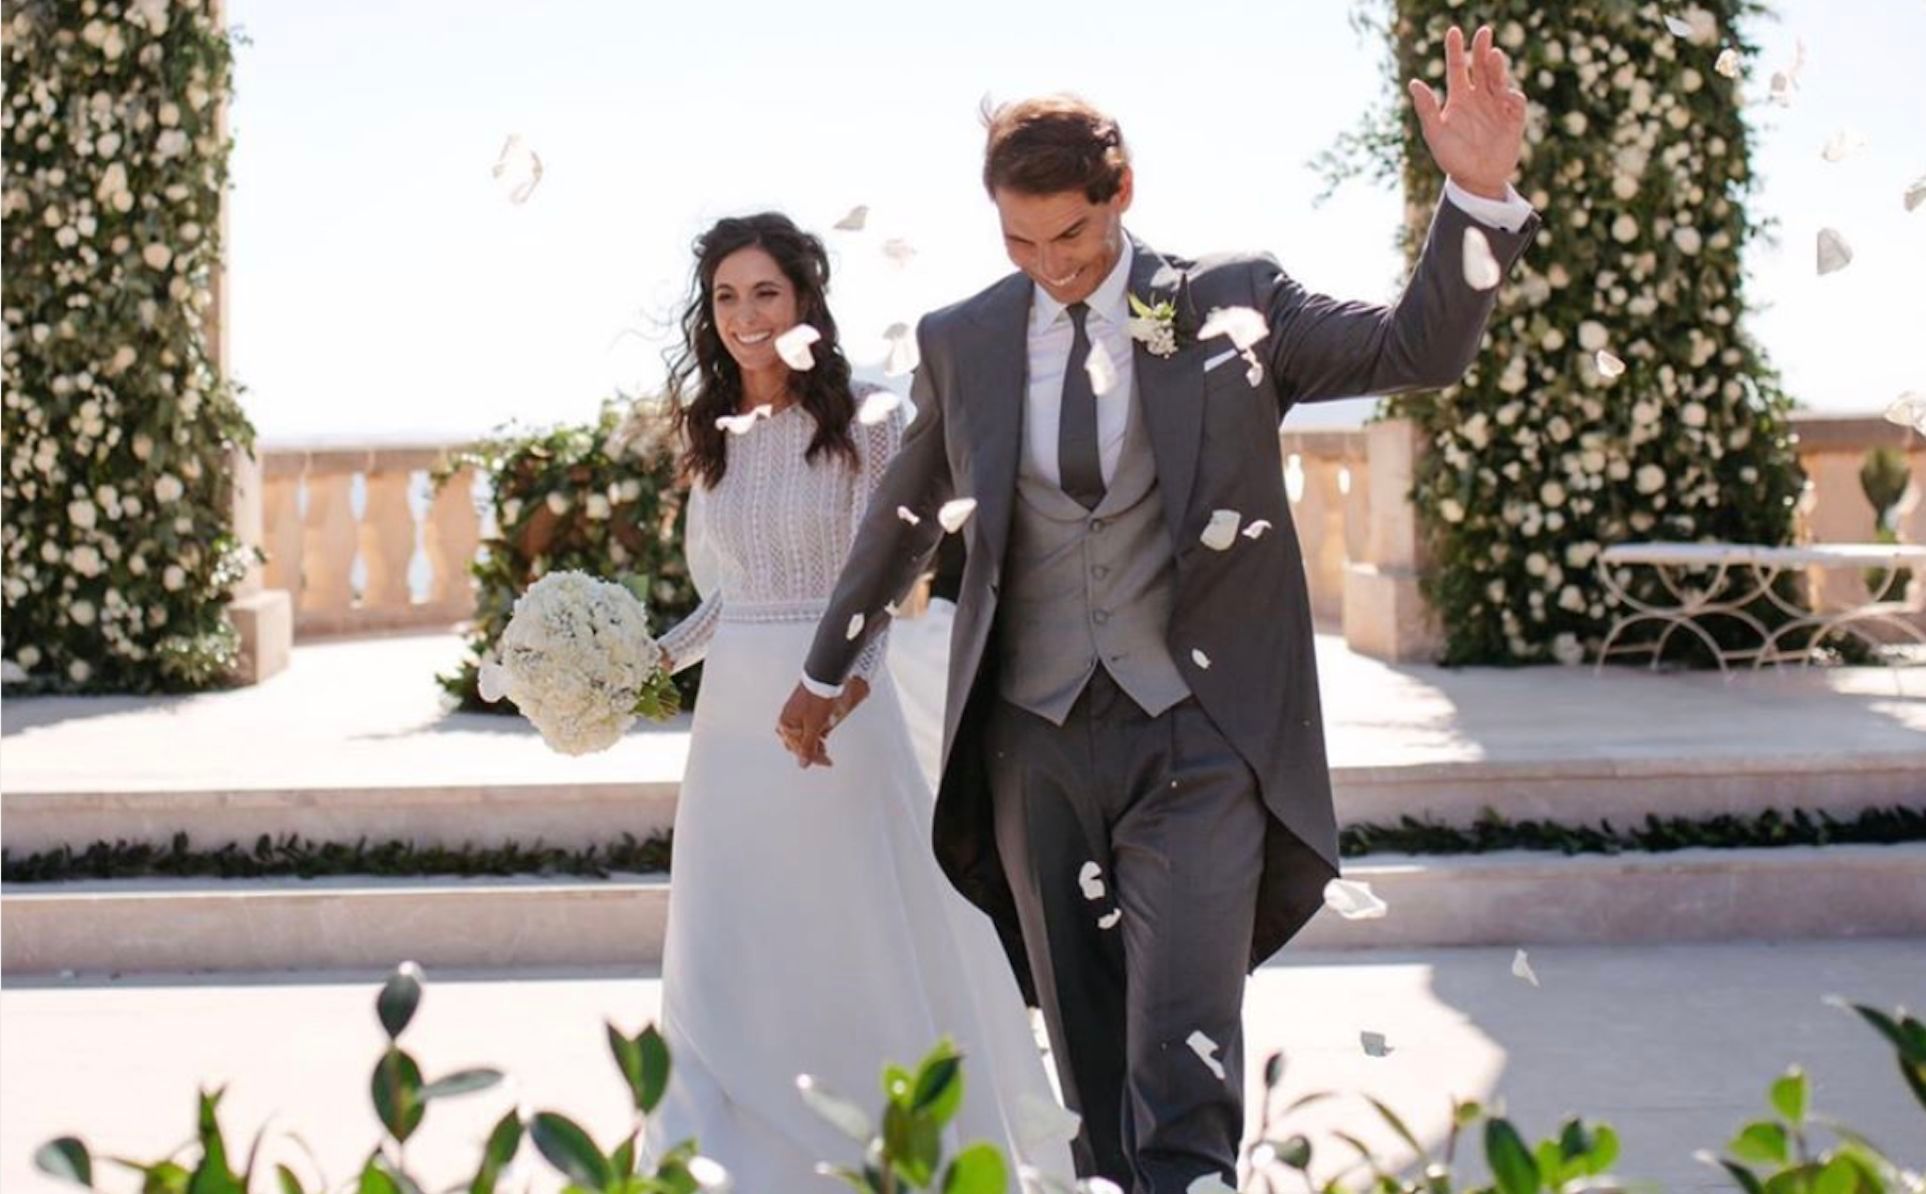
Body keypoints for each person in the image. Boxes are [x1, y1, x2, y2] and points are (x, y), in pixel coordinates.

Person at [778, 27, 1537, 1190]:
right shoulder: (965, 338)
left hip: (1195, 736)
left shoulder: (1234, 301)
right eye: (1021, 241)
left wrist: (1476, 196)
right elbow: (907, 511)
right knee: (1087, 1072)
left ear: (1121, 191)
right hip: (1032, 743)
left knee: (1183, 1050)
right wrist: (826, 669)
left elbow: (1415, 349)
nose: (1052, 265)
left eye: (1072, 235)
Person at [644, 212, 1074, 1188]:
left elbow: (881, 577)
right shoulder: (713, 431)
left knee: (854, 930)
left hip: (834, 708)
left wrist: (841, 685)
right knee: (730, 934)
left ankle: (875, 1143)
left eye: (766, 292)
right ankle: (732, 1157)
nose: (745, 315)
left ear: (805, 300)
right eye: (726, 297)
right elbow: (739, 594)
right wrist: (646, 661)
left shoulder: (866, 420)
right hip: (731, 728)